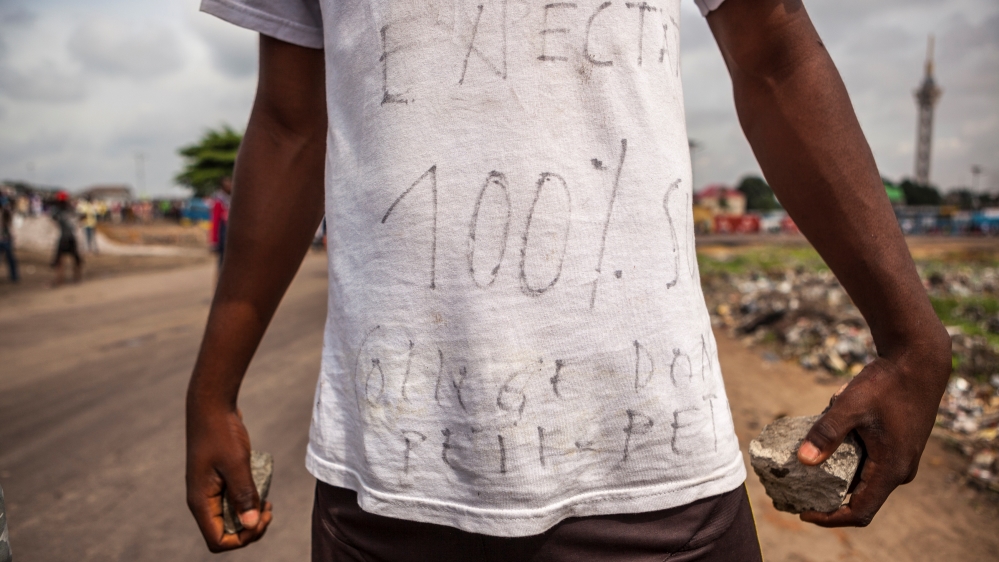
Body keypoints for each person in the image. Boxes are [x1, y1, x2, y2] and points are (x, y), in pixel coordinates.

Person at [186, 0, 952, 559]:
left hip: (653, 473)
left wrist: (912, 341)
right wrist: (212, 391)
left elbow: (773, 55)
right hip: (392, 485)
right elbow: (290, 122)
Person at [51, 192, 82, 286]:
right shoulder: (71, 209)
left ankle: (59, 280)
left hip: (64, 237)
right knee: (76, 259)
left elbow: (54, 218)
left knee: (59, 259)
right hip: (72, 236)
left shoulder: (58, 210)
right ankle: (76, 278)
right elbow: (78, 218)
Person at [209, 177, 232, 270]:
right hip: (222, 233)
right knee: (222, 262)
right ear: (223, 187)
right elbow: (215, 221)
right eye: (228, 184)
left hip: (227, 232)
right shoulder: (219, 201)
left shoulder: (228, 199)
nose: (231, 185)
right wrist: (214, 241)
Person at [0, 197, 18, 283]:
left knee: (10, 259)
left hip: (5, 240)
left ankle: (14, 276)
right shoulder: (6, 213)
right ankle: (14, 276)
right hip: (5, 240)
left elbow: (9, 227)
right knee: (10, 259)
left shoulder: (6, 214)